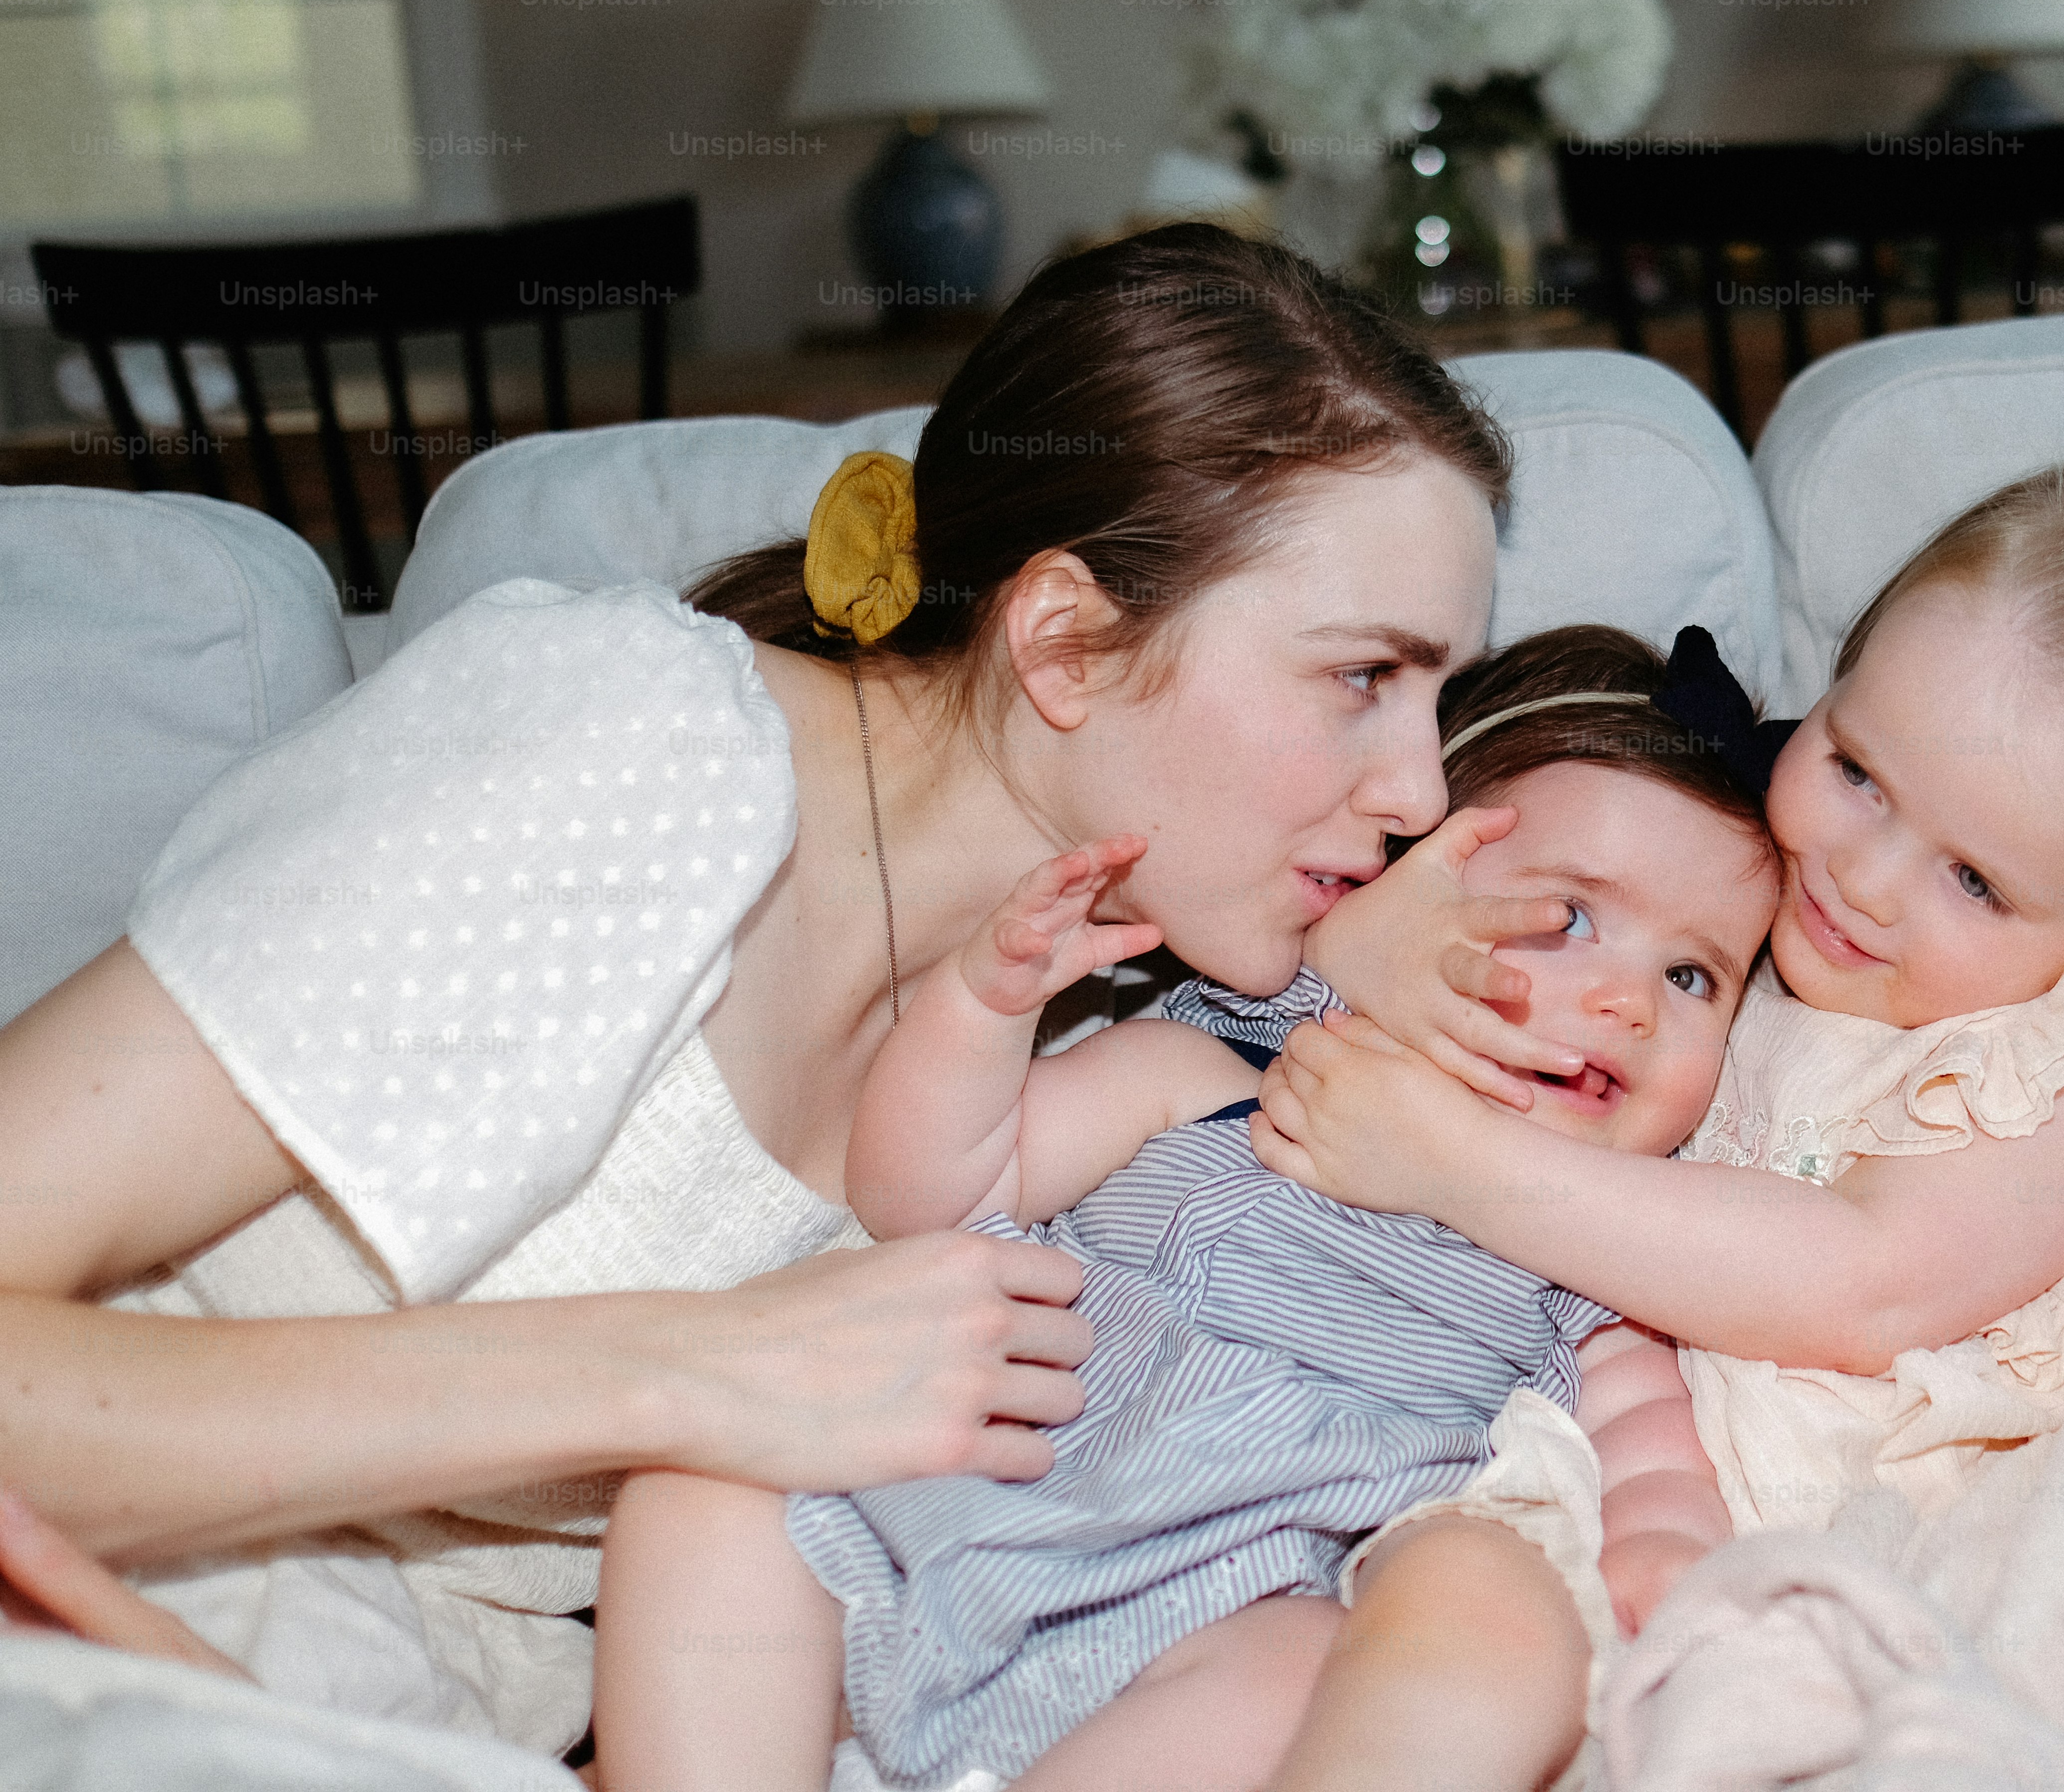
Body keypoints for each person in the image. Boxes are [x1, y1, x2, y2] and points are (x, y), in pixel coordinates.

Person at [0, 222, 1513, 1773]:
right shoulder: (627, 752)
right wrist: (694, 1369)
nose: (1418, 790)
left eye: (1443, 699)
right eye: (1363, 678)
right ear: (1066, 640)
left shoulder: (1075, 1028)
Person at [1252, 411, 2064, 1792]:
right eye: (1855, 769)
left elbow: (1870, 1282)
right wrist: (1359, 951)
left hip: (1941, 1504)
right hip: (1638, 1489)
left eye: (1975, 881)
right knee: (1468, 1627)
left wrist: (1459, 1163)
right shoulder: (1731, 910)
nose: (1862, 875)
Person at [590, 627, 1784, 1792]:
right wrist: (982, 1011)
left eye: (1694, 975)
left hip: (1221, 1608)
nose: (1629, 1001)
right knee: (711, 1480)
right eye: (1568, 916)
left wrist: (1662, 1545)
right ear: (1395, 890)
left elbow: (1646, 1442)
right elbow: (925, 1193)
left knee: (1306, 1674)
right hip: (938, 1485)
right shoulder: (1211, 1071)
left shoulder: (1583, 1254)